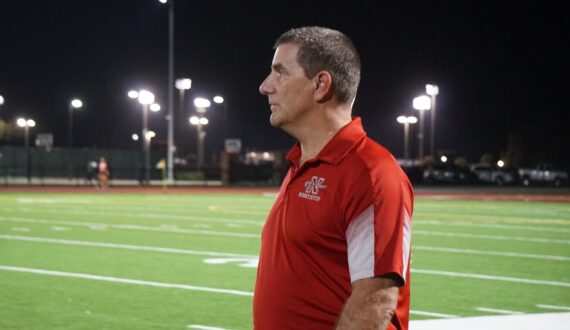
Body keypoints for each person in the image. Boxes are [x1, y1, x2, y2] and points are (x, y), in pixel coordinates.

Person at [253, 27, 414, 330]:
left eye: (280, 73)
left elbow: (374, 302)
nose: (265, 86)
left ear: (320, 84)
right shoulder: (301, 163)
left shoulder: (370, 172)